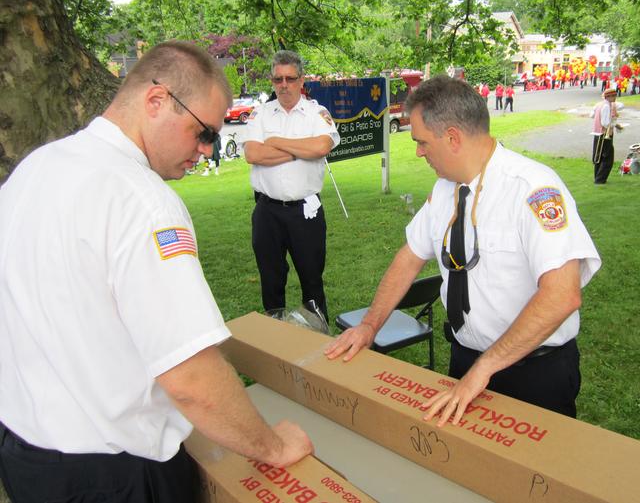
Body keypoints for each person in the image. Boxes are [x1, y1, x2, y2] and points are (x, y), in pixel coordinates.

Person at [0, 41, 313, 503]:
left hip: (27, 458)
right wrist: (273, 447)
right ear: (156, 101)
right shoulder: (142, 201)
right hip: (116, 474)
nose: (208, 151)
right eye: (203, 131)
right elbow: (191, 380)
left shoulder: (37, 166)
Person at [325, 75, 600, 427]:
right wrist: (369, 325)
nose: (418, 152)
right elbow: (409, 257)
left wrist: (484, 368)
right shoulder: (445, 191)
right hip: (466, 360)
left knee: (533, 479)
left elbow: (562, 296)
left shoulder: (533, 189)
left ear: (452, 137)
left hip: (534, 373)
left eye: (422, 142)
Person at [243, 50, 340, 322]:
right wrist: (301, 150)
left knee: (312, 279)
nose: (283, 85)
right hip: (267, 212)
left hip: (305, 213)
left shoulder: (315, 112)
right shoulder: (260, 114)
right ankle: (277, 342)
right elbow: (253, 154)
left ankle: (319, 338)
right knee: (271, 280)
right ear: (272, 81)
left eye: (289, 78)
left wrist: (274, 141)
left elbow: (322, 146)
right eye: (277, 79)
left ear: (301, 81)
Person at [591, 87, 624, 185]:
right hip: (604, 133)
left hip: (597, 133)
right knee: (607, 158)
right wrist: (615, 125)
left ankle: (598, 177)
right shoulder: (606, 106)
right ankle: (600, 180)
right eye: (614, 96)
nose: (615, 98)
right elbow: (605, 123)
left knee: (599, 157)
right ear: (609, 96)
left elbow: (592, 115)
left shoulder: (599, 104)